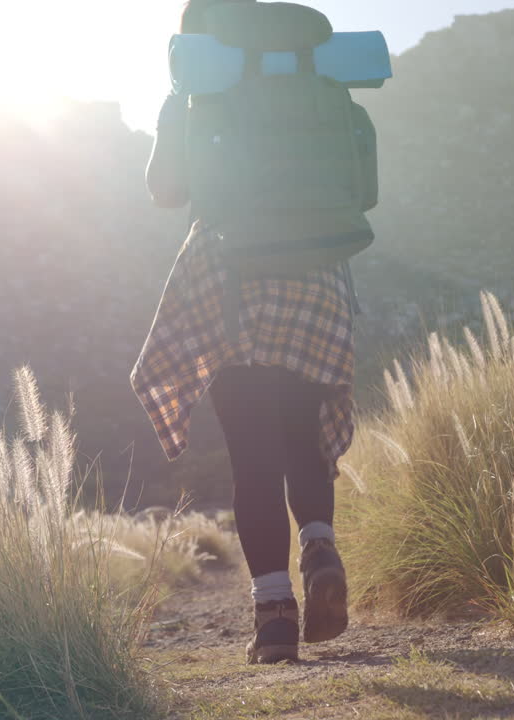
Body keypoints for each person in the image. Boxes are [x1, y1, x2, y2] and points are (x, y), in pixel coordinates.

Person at [131, 0, 358, 665]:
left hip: (230, 274)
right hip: (318, 274)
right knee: (304, 435)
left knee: (252, 454)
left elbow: (166, 189)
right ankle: (319, 547)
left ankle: (275, 617)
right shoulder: (312, 74)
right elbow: (357, 184)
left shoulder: (195, 88)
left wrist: (178, 111)